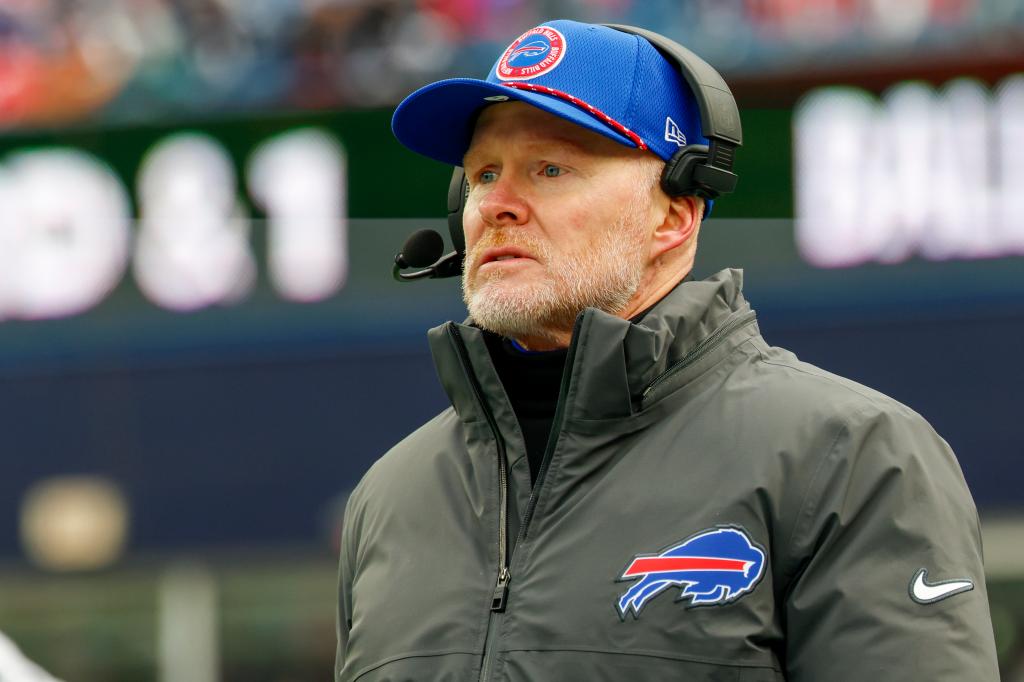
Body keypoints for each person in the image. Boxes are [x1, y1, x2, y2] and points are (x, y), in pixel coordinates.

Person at [335, 19, 998, 681]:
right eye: (482, 174)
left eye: (550, 168)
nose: (496, 205)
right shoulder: (388, 498)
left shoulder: (850, 455)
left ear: (675, 215)